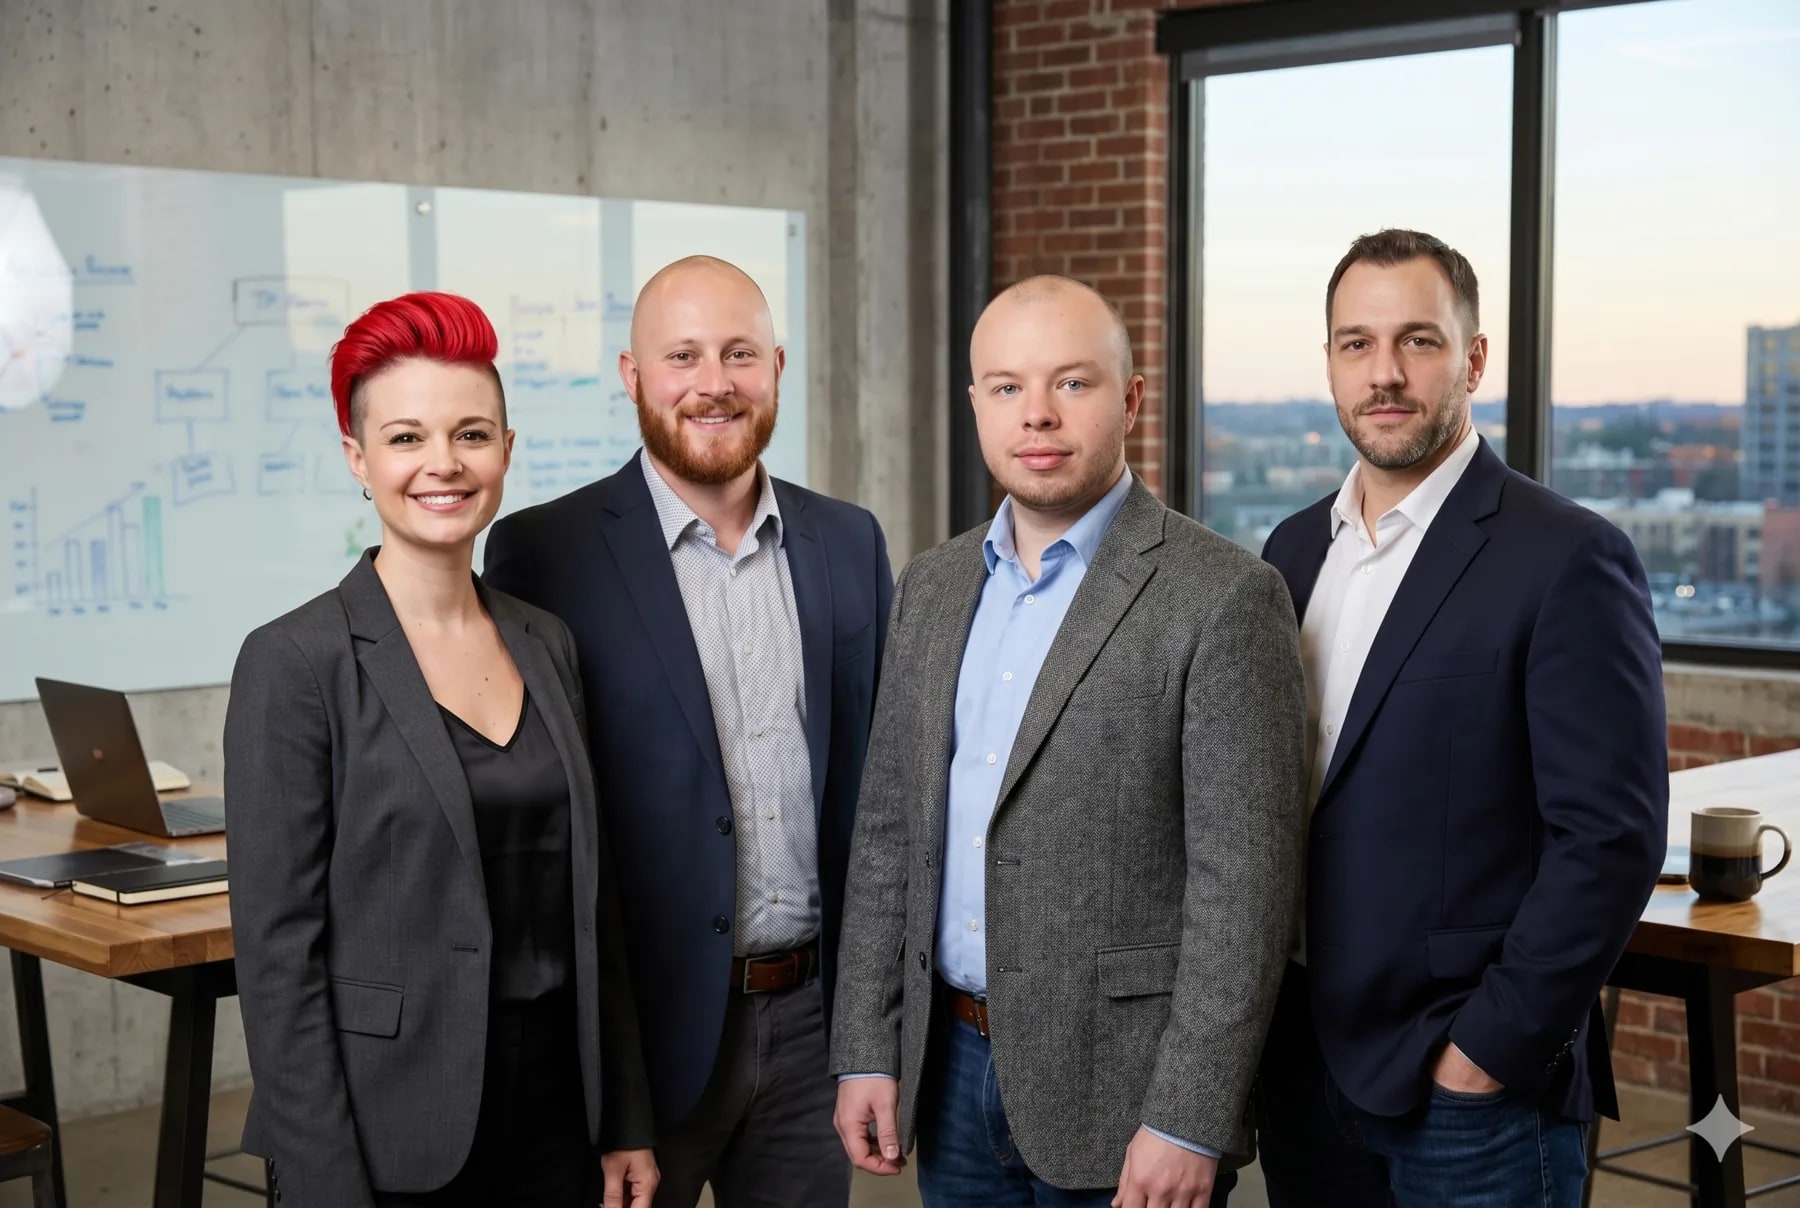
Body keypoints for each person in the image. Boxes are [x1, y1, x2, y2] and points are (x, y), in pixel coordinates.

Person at [829, 274, 1307, 1208]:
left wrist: (1189, 1118)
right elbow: (888, 834)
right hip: (950, 1069)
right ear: (977, 403)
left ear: (1131, 399)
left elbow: (1246, 893)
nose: (1037, 414)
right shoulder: (930, 587)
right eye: (1007, 386)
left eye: (1072, 383)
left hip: (1128, 1095)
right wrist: (866, 1048)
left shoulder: (1224, 598)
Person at [1253, 228, 1669, 1207]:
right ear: (1329, 363)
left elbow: (1609, 839)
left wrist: (1485, 1051)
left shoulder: (1566, 557)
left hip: (1467, 1091)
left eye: (1419, 340)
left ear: (1474, 359)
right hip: (1303, 1067)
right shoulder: (1290, 552)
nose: (1385, 373)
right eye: (1357, 343)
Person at [224, 292, 658, 1208]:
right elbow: (277, 955)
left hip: (559, 1119)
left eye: (470, 434)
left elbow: (599, 902)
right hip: (388, 1129)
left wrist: (625, 1117)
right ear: (358, 459)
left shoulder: (546, 643)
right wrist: (324, 1182)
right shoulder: (295, 661)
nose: (444, 464)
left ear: (506, 448)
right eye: (406, 438)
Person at [482, 255, 893, 1206]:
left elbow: (879, 804)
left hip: (813, 1030)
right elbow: (544, 838)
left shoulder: (849, 542)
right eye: (683, 356)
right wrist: (605, 1090)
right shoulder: (544, 553)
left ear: (777, 368)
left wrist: (870, 1031)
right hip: (641, 1041)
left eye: (740, 353)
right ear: (633, 377)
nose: (715, 383)